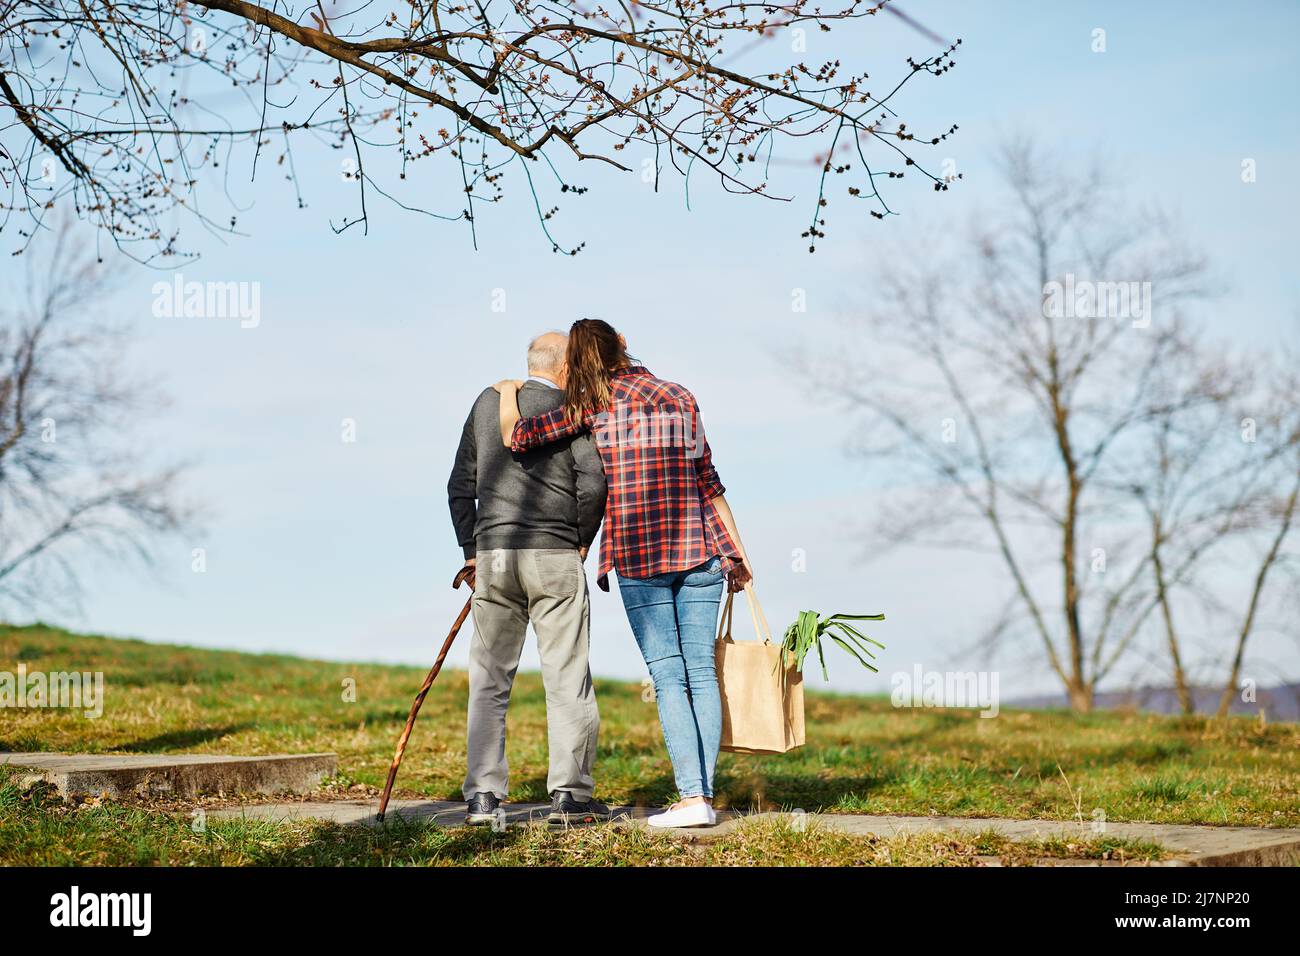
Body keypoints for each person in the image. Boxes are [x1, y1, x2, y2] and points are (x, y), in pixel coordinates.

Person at [495, 319, 752, 828]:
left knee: (669, 675)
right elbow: (709, 481)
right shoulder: (681, 396)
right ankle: (701, 796)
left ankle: (693, 798)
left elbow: (517, 437)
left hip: (640, 557)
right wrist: (737, 554)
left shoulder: (591, 405)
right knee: (701, 672)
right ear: (624, 345)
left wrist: (506, 391)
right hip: (701, 550)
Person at [448, 330, 610, 826]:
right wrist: (582, 538)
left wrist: (472, 551)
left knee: (488, 680)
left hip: (495, 555)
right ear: (566, 367)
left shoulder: (487, 402)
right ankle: (570, 797)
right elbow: (593, 481)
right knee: (566, 676)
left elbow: (460, 485)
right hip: (554, 553)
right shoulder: (573, 409)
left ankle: (483, 797)